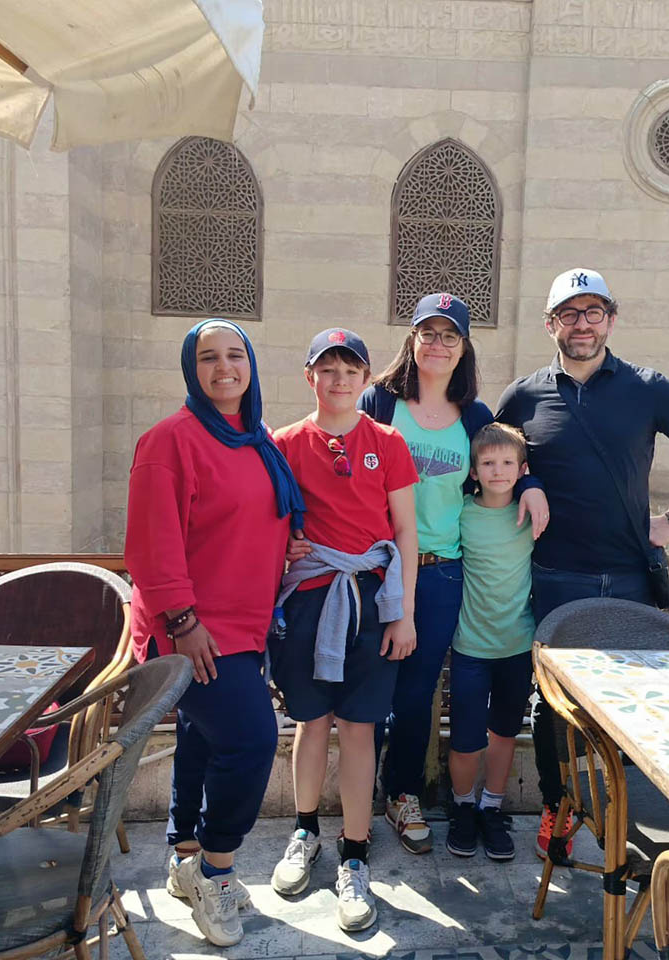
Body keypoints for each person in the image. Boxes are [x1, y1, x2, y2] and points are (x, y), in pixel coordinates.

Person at [496, 267, 669, 860]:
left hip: (628, 578)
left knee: (638, 702)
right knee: (553, 706)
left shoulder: (648, 389)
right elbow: (495, 462)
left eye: (593, 311)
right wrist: (529, 483)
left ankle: (626, 810)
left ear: (611, 319)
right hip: (556, 576)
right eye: (569, 314)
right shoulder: (523, 397)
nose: (582, 324)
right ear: (550, 324)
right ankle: (558, 807)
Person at [124, 319, 304, 947]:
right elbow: (151, 544)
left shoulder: (256, 439)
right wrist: (183, 622)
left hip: (247, 623)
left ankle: (185, 856)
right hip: (193, 629)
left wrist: (286, 544)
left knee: (203, 739)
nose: (223, 367)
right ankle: (216, 870)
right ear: (189, 369)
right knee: (252, 740)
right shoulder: (169, 441)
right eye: (208, 357)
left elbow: (247, 518)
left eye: (235, 355)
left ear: (250, 365)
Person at [356, 293, 548, 855]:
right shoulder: (379, 401)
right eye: (428, 333)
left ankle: (402, 794)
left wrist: (533, 485)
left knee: (417, 693)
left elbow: (506, 461)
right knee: (368, 687)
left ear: (463, 348)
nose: (438, 344)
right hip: (375, 568)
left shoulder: (474, 416)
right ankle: (353, 804)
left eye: (450, 336)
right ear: (412, 340)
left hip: (441, 572)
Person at [268, 327, 420, 932]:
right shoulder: (283, 443)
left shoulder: (387, 441)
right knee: (312, 721)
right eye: (327, 369)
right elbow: (266, 522)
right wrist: (285, 544)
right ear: (310, 377)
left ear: (364, 379)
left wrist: (403, 612)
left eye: (350, 370)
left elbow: (405, 530)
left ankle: (354, 854)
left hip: (371, 598)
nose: (339, 380)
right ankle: (304, 830)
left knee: (361, 727)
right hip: (310, 598)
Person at [445, 423, 536, 861]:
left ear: (522, 470)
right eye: (488, 463)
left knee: (503, 732)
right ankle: (463, 806)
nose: (498, 470)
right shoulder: (461, 513)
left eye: (507, 462)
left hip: (517, 646)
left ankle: (491, 808)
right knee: (465, 737)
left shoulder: (532, 513)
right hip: (470, 648)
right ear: (474, 471)